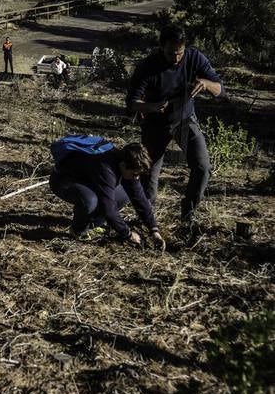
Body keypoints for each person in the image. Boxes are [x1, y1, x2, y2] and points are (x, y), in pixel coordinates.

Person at [126, 24, 223, 218]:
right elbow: (132, 102)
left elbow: (220, 89)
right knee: (149, 175)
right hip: (155, 124)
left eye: (180, 53)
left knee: (203, 167)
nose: (176, 58)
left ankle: (189, 213)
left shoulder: (194, 57)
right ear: (162, 47)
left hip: (185, 119)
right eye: (171, 54)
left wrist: (205, 84)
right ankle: (146, 219)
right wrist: (152, 107)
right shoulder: (148, 66)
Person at [50, 141, 166, 249]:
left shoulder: (127, 166)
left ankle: (92, 224)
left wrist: (154, 230)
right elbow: (109, 209)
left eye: (138, 174)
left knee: (123, 195)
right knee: (90, 201)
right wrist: (128, 234)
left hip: (88, 182)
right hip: (63, 181)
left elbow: (140, 198)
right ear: (124, 165)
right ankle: (78, 230)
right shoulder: (106, 169)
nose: (136, 178)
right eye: (134, 174)